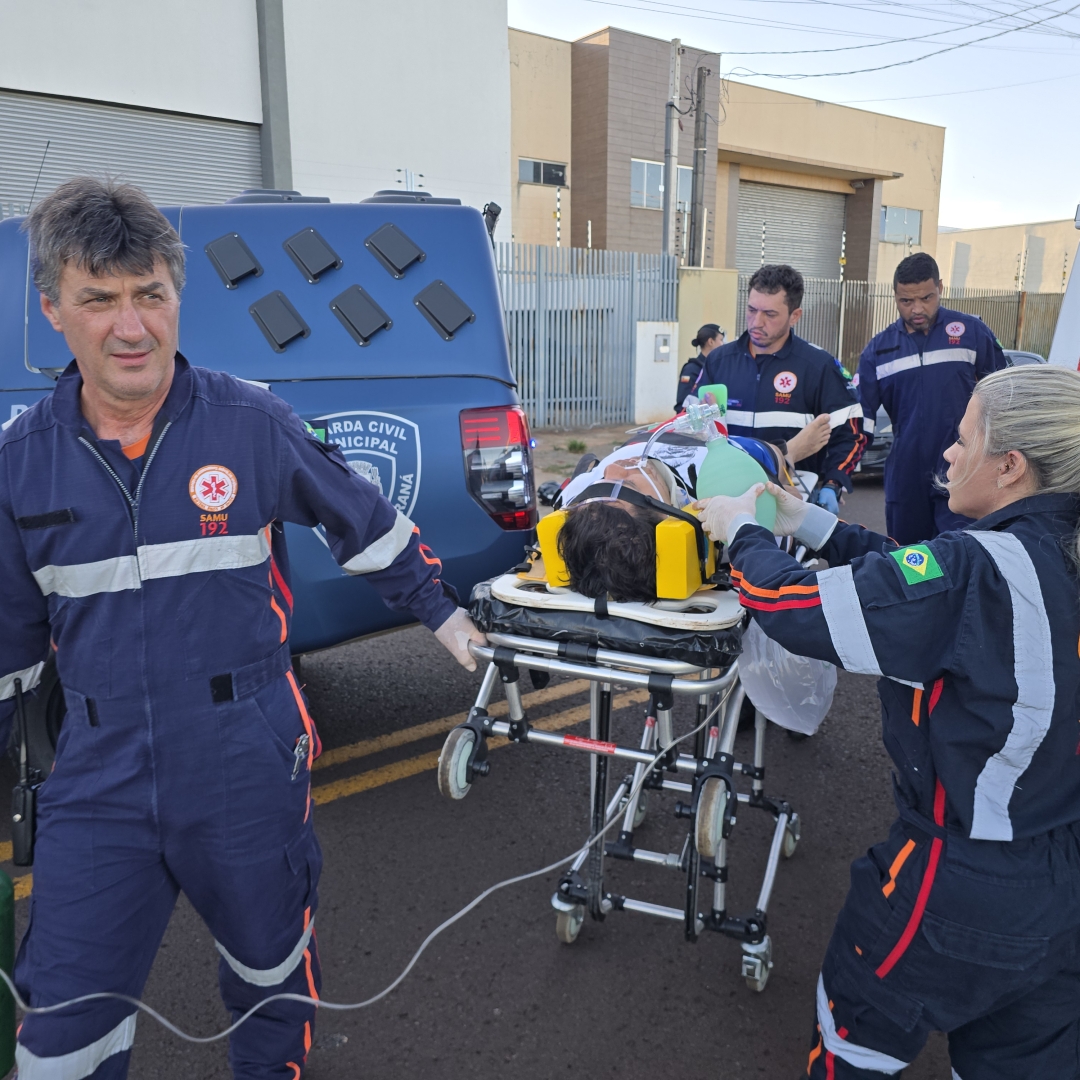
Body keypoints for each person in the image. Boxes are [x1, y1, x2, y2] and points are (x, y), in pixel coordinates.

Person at [0, 178, 486, 1079]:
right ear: (53, 312)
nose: (131, 326)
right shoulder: (19, 464)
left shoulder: (250, 422)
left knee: (271, 976)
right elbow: (9, 644)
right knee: (61, 1031)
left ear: (177, 298)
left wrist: (442, 611)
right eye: (98, 300)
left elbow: (362, 520)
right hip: (98, 774)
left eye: (150, 294)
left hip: (244, 754)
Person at [694, 364, 1080, 1078]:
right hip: (1062, 882)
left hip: (964, 876)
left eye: (963, 440)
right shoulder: (1045, 553)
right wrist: (807, 521)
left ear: (1011, 466)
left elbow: (797, 609)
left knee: (856, 1039)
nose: (947, 454)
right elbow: (915, 579)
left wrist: (742, 533)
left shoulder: (979, 567)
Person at [554, 419, 828, 602]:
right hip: (732, 449)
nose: (611, 468)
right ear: (668, 517)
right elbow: (789, 504)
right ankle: (791, 452)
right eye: (626, 483)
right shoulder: (726, 501)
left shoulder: (576, 496)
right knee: (771, 457)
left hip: (648, 435)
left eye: (601, 484)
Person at [857, 252, 1006, 545]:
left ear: (940, 287)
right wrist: (836, 476)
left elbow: (1004, 395)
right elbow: (860, 419)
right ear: (895, 296)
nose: (917, 309)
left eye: (926, 298)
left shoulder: (971, 333)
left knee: (963, 554)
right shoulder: (879, 350)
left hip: (963, 466)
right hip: (906, 474)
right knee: (908, 558)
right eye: (906, 301)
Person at [691, 264, 864, 516]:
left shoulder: (819, 366)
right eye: (751, 310)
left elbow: (852, 434)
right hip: (724, 500)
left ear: (795, 316)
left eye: (770, 314)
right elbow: (686, 426)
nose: (756, 322)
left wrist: (833, 483)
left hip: (790, 504)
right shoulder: (718, 361)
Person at [675, 323, 724, 411]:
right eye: (721, 340)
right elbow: (682, 406)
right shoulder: (691, 369)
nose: (723, 344)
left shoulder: (718, 368)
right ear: (711, 342)